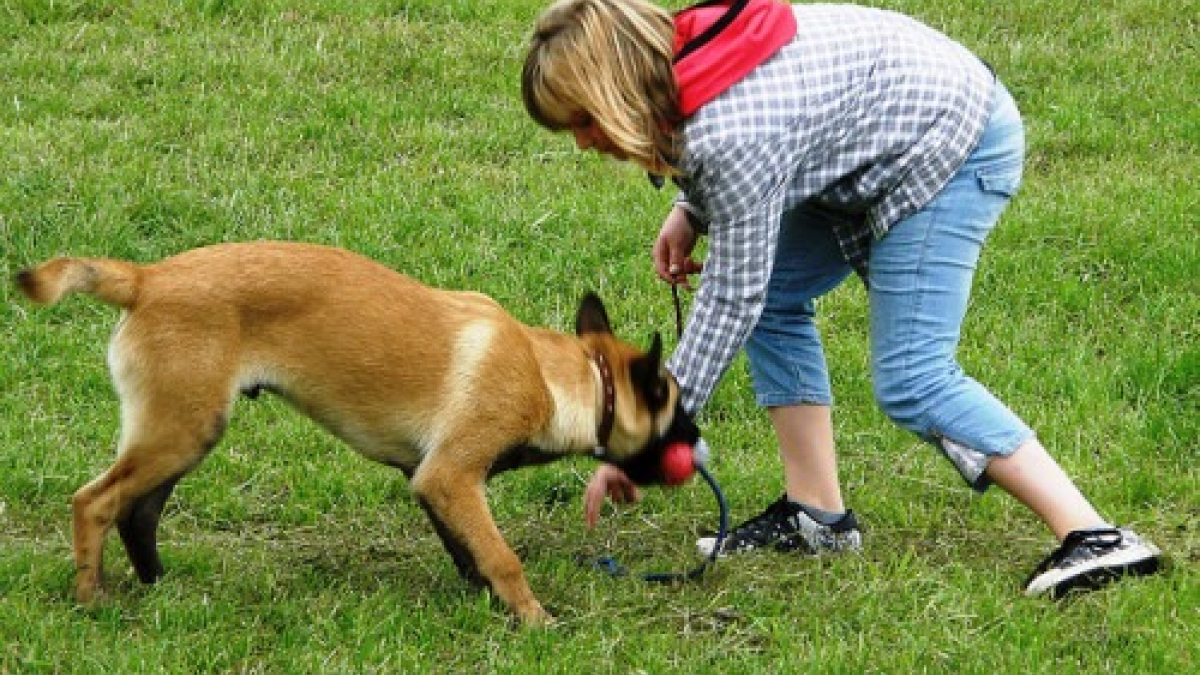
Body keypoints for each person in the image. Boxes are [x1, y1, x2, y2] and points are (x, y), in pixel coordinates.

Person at [521, 0, 1163, 598]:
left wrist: (651, 431)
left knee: (913, 378)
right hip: (863, 149)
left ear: (618, 88)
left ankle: (1096, 536)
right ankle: (818, 518)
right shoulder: (677, 65)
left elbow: (731, 295)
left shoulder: (731, 132)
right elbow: (758, 146)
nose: (582, 142)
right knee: (777, 297)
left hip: (950, 146)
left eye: (584, 119)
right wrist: (692, 207)